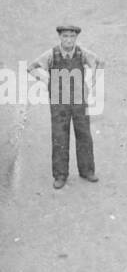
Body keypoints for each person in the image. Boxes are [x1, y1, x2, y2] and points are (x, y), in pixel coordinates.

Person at [26, 23, 103, 190]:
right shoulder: (51, 54)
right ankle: (60, 175)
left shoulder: (82, 53)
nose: (68, 40)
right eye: (65, 36)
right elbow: (31, 68)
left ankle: (87, 171)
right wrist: (45, 80)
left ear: (76, 37)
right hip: (59, 103)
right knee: (60, 137)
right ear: (60, 37)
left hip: (79, 100)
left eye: (72, 36)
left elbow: (99, 62)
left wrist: (93, 79)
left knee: (84, 134)